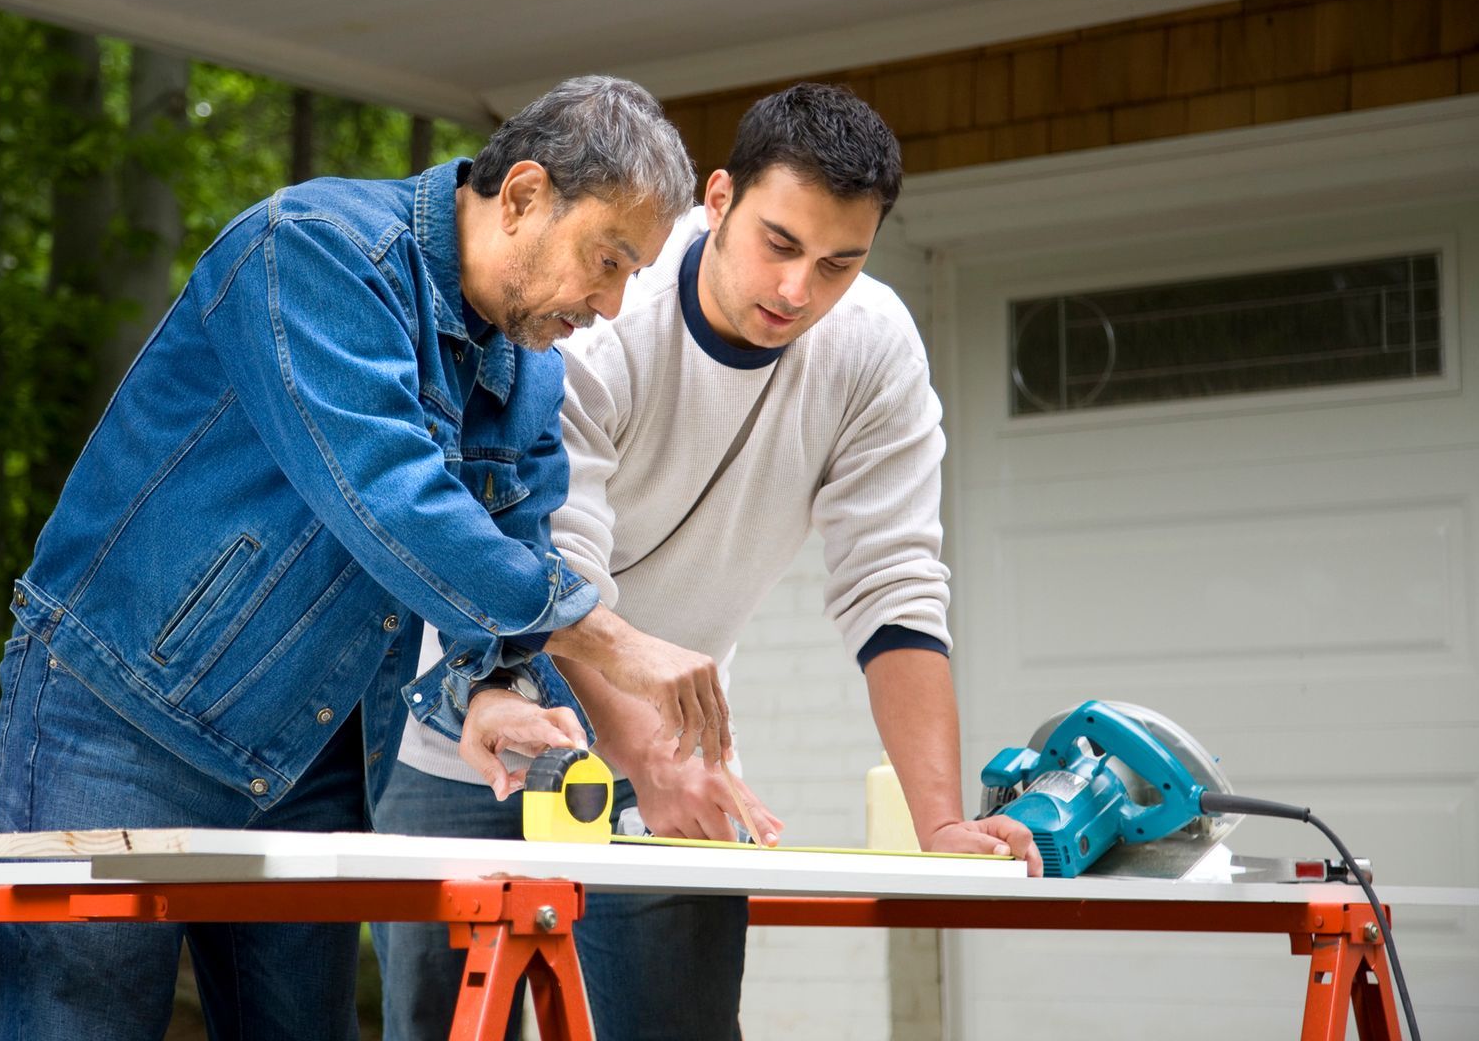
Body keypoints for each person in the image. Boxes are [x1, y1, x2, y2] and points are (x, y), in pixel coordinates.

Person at [0, 76, 739, 1041]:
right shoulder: (312, 251)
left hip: (310, 747)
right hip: (122, 710)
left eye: (635, 272)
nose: (614, 301)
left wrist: (498, 685)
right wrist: (614, 643)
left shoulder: (528, 369)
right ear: (522, 197)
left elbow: (512, 546)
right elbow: (388, 496)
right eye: (608, 258)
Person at [374, 83, 1043, 1041]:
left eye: (839, 263)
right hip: (470, 732)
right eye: (780, 244)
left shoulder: (873, 348)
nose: (797, 292)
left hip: (671, 759)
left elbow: (894, 586)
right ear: (719, 200)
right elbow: (550, 573)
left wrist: (941, 824)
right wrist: (646, 753)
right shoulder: (598, 311)